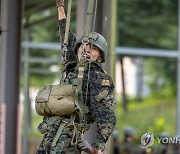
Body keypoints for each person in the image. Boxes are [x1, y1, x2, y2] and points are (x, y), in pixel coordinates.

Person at [36, 0, 116, 153]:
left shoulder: (98, 78)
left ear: (99, 57)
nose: (86, 50)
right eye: (83, 46)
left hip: (68, 140)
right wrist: (60, 7)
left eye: (93, 49)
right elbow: (65, 35)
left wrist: (97, 147)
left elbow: (107, 117)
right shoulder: (72, 66)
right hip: (49, 136)